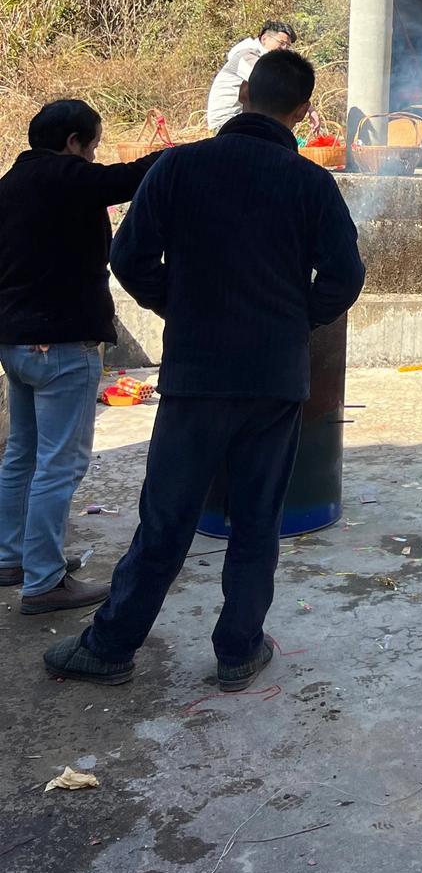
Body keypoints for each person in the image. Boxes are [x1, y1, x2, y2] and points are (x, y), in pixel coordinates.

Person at [43, 50, 365, 691]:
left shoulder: (179, 166)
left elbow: (128, 258)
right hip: (275, 379)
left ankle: (110, 648)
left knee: (167, 516)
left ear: (243, 93)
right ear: (302, 112)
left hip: (197, 375)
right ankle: (239, 650)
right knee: (256, 520)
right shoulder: (310, 183)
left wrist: (182, 307)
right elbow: (345, 277)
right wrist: (293, 321)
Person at [0, 101, 164, 615]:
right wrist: (185, 154)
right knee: (60, 464)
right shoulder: (67, 177)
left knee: (22, 456)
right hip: (62, 345)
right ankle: (44, 582)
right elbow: (132, 177)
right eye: (92, 145)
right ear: (73, 142)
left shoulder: (9, 185)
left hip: (15, 342)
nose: (93, 156)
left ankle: (13, 558)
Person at [204, 20, 296, 131]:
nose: (284, 49)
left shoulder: (264, 61)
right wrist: (307, 108)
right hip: (226, 123)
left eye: (287, 46)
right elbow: (271, 84)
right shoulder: (247, 56)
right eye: (281, 43)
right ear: (264, 39)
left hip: (241, 121)